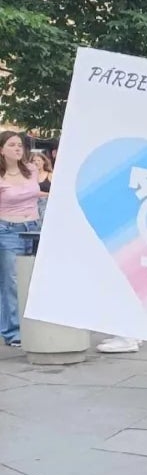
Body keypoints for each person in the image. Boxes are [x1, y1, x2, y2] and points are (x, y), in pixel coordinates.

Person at [0, 132, 41, 347]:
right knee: (11, 281)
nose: (18, 148)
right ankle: (13, 332)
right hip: (8, 229)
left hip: (33, 226)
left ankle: (34, 324)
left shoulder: (31, 170)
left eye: (19, 145)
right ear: (2, 150)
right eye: (12, 145)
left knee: (34, 277)